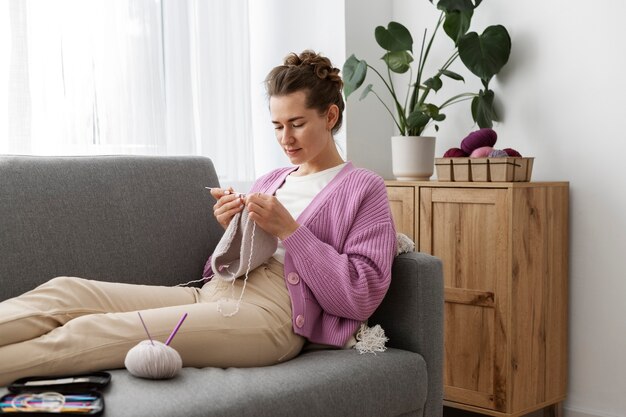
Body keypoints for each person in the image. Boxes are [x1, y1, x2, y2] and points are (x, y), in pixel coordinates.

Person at [0, 50, 396, 387]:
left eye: (297, 124)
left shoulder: (365, 188)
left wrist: (290, 231)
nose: (285, 138)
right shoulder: (272, 180)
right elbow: (217, 272)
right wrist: (235, 232)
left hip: (272, 318)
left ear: (329, 116)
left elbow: (359, 296)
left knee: (93, 332)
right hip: (213, 295)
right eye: (277, 125)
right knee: (68, 292)